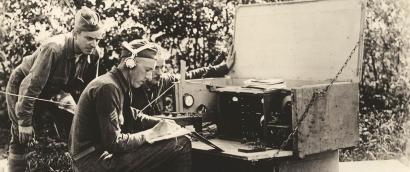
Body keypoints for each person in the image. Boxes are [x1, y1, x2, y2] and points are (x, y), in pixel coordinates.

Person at [69, 40, 191, 172]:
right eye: (147, 70)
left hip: (95, 157)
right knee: (181, 142)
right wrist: (152, 133)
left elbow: (133, 116)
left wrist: (166, 124)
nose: (149, 77)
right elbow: (114, 143)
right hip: (90, 162)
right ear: (130, 63)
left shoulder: (119, 84)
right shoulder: (108, 88)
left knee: (174, 140)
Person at [6, 7, 103, 172]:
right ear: (75, 33)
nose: (93, 44)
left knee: (77, 125)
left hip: (55, 90)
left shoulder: (94, 54)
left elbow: (89, 90)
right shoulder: (54, 49)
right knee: (21, 137)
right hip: (23, 85)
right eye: (88, 38)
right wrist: (24, 122)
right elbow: (31, 85)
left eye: (97, 39)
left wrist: (92, 116)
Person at [132, 41, 235, 115]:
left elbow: (192, 74)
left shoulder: (163, 80)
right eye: (155, 68)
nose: (159, 73)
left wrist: (224, 68)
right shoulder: (131, 85)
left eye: (162, 67)